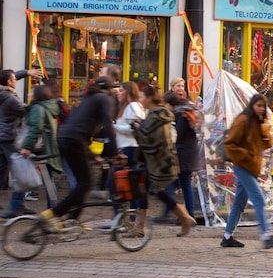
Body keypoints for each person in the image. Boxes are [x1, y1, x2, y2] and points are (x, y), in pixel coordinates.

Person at [39, 76, 116, 230]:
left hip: (66, 137)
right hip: (75, 140)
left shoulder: (88, 98)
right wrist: (114, 153)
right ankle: (53, 213)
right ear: (109, 89)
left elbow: (78, 125)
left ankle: (73, 220)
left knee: (82, 183)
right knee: (84, 183)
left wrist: (93, 156)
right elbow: (108, 125)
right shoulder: (103, 99)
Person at [220, 93, 273, 249]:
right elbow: (230, 144)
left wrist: (265, 129)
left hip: (251, 167)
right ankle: (266, 235)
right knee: (259, 199)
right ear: (252, 105)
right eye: (258, 106)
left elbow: (266, 145)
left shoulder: (258, 122)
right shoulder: (243, 120)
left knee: (239, 204)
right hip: (243, 166)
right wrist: (246, 156)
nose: (261, 109)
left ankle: (227, 236)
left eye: (263, 106)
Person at [133, 85, 195, 236]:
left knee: (158, 193)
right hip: (152, 161)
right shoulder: (154, 114)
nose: (140, 100)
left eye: (142, 97)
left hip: (159, 162)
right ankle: (138, 227)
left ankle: (185, 217)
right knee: (146, 192)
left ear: (149, 98)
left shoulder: (159, 116)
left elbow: (152, 137)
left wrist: (137, 128)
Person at [2, 84, 61, 218]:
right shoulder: (47, 106)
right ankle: (18, 206)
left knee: (36, 178)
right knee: (34, 177)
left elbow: (35, 128)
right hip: (45, 147)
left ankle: (53, 211)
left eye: (31, 92)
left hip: (39, 149)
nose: (29, 94)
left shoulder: (37, 108)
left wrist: (27, 147)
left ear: (37, 95)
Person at [160, 92, 202, 223]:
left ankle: (185, 214)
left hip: (183, 154)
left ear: (171, 104)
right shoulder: (184, 113)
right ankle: (183, 214)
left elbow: (177, 135)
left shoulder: (182, 115)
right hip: (187, 153)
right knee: (181, 183)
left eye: (165, 104)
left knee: (179, 183)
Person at [107, 81, 146, 222]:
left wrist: (115, 127)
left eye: (122, 91)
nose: (119, 93)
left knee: (119, 183)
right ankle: (126, 217)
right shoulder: (124, 108)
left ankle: (124, 217)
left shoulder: (133, 106)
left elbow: (134, 128)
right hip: (124, 147)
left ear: (129, 92)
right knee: (124, 184)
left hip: (130, 148)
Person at [0, 70, 28, 194]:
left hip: (3, 134)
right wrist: (38, 99)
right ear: (9, 82)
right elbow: (26, 110)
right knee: (18, 168)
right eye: (14, 79)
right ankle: (17, 203)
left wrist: (27, 72)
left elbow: (12, 75)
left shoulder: (3, 94)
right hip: (9, 136)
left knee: (2, 168)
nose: (16, 80)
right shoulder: (10, 98)